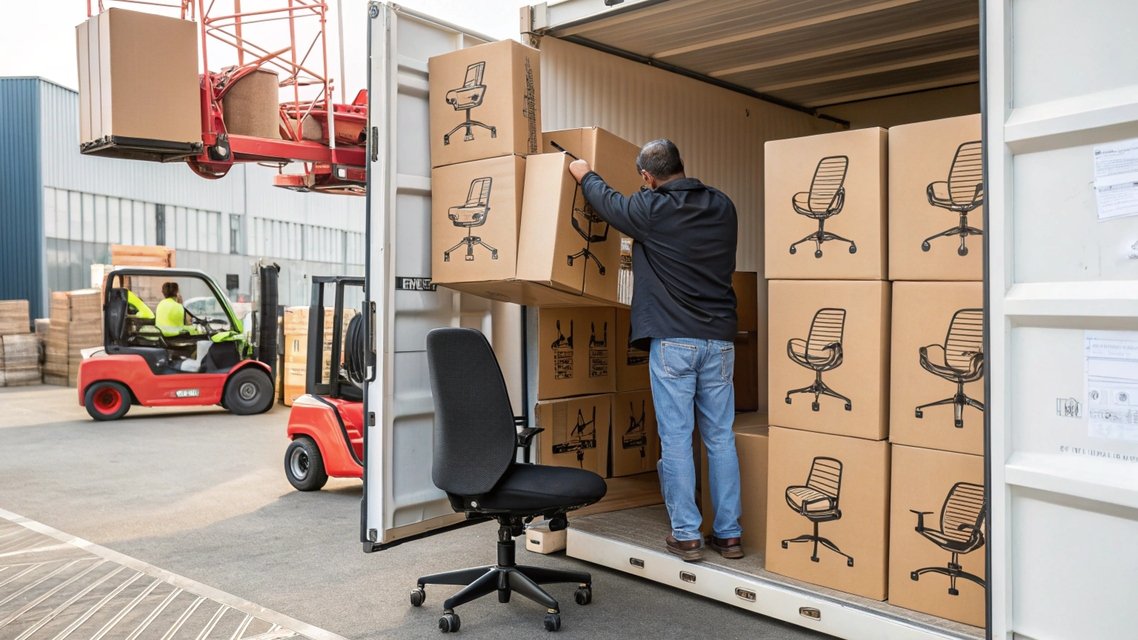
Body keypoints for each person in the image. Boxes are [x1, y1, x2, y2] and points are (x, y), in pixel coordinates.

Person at [568, 139, 743, 562]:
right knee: (720, 438)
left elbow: (607, 202)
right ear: (682, 165)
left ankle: (686, 533)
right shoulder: (723, 205)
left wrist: (583, 172)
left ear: (648, 178)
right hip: (719, 341)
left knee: (678, 439)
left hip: (674, 342)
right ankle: (729, 534)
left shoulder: (651, 210)